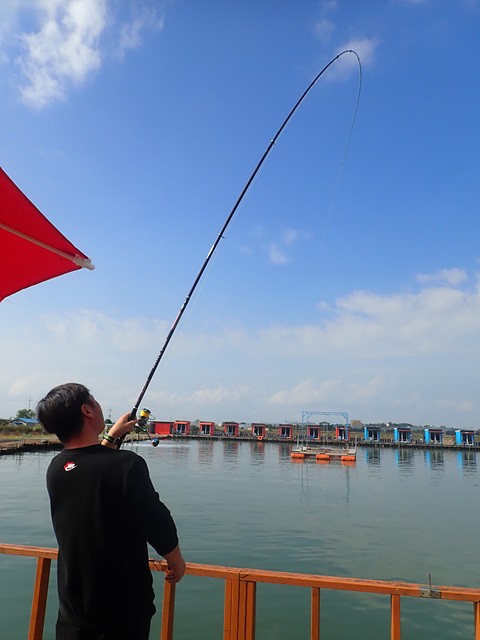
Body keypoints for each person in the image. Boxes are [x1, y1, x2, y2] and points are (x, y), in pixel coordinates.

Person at [36, 382, 186, 640]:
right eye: (93, 400)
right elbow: (157, 522)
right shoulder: (128, 465)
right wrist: (176, 560)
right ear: (87, 410)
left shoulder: (57, 468)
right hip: (121, 613)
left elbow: (91, 466)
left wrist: (113, 435)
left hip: (73, 613)